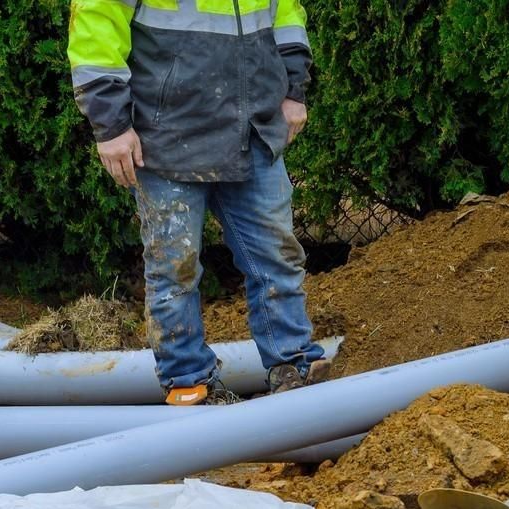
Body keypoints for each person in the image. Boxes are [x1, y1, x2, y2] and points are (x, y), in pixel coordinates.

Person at [68, 0, 329, 405]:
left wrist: (294, 87)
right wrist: (111, 123)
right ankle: (188, 383)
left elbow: (286, 12)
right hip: (167, 135)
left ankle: (295, 368)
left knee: (276, 257)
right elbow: (96, 20)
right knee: (175, 268)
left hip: (252, 129)